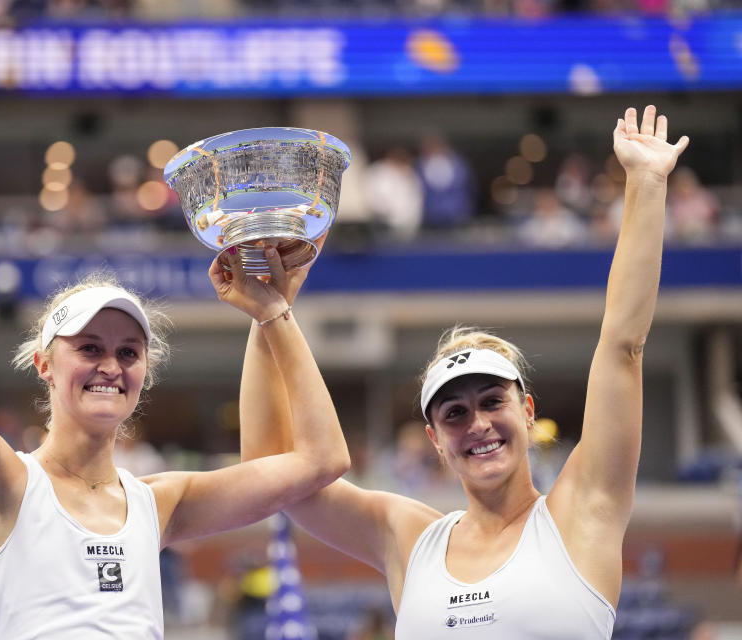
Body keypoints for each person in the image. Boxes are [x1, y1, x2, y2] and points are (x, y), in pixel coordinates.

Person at [0, 21, 349, 639]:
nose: (111, 364)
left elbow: (323, 459)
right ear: (44, 365)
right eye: (89, 347)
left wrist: (273, 313)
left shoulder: (159, 503)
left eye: (128, 351)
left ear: (143, 376)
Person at [240, 106, 688, 637]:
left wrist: (644, 181)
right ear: (435, 439)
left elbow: (622, 346)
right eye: (455, 412)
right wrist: (269, 312)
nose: (476, 423)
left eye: (492, 401)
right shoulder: (409, 539)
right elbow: (271, 473)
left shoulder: (581, 511)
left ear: (527, 411)